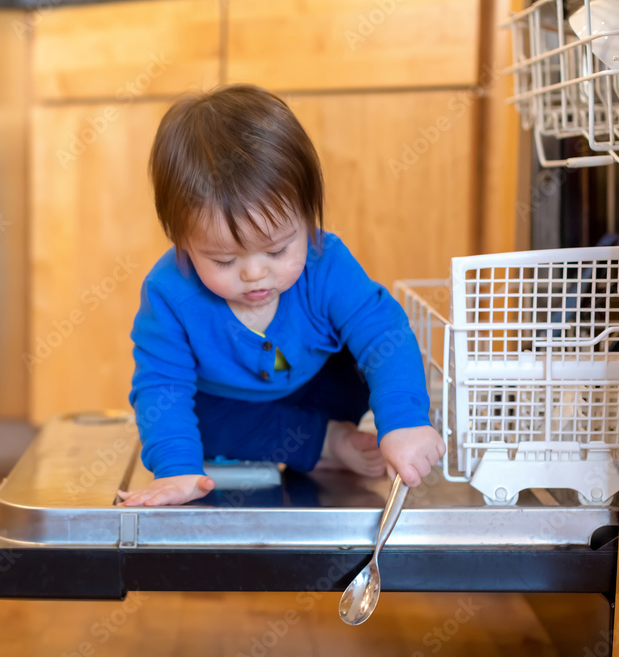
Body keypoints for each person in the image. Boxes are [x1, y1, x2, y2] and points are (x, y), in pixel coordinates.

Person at [117, 84, 444, 507]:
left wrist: (404, 422)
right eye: (223, 260)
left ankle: (327, 432)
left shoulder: (326, 264)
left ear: (308, 220)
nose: (254, 274)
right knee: (194, 422)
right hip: (236, 409)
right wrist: (176, 470)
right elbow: (162, 386)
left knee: (368, 359)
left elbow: (385, 332)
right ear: (182, 243)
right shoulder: (168, 293)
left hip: (324, 390)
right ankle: (323, 444)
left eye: (276, 250)